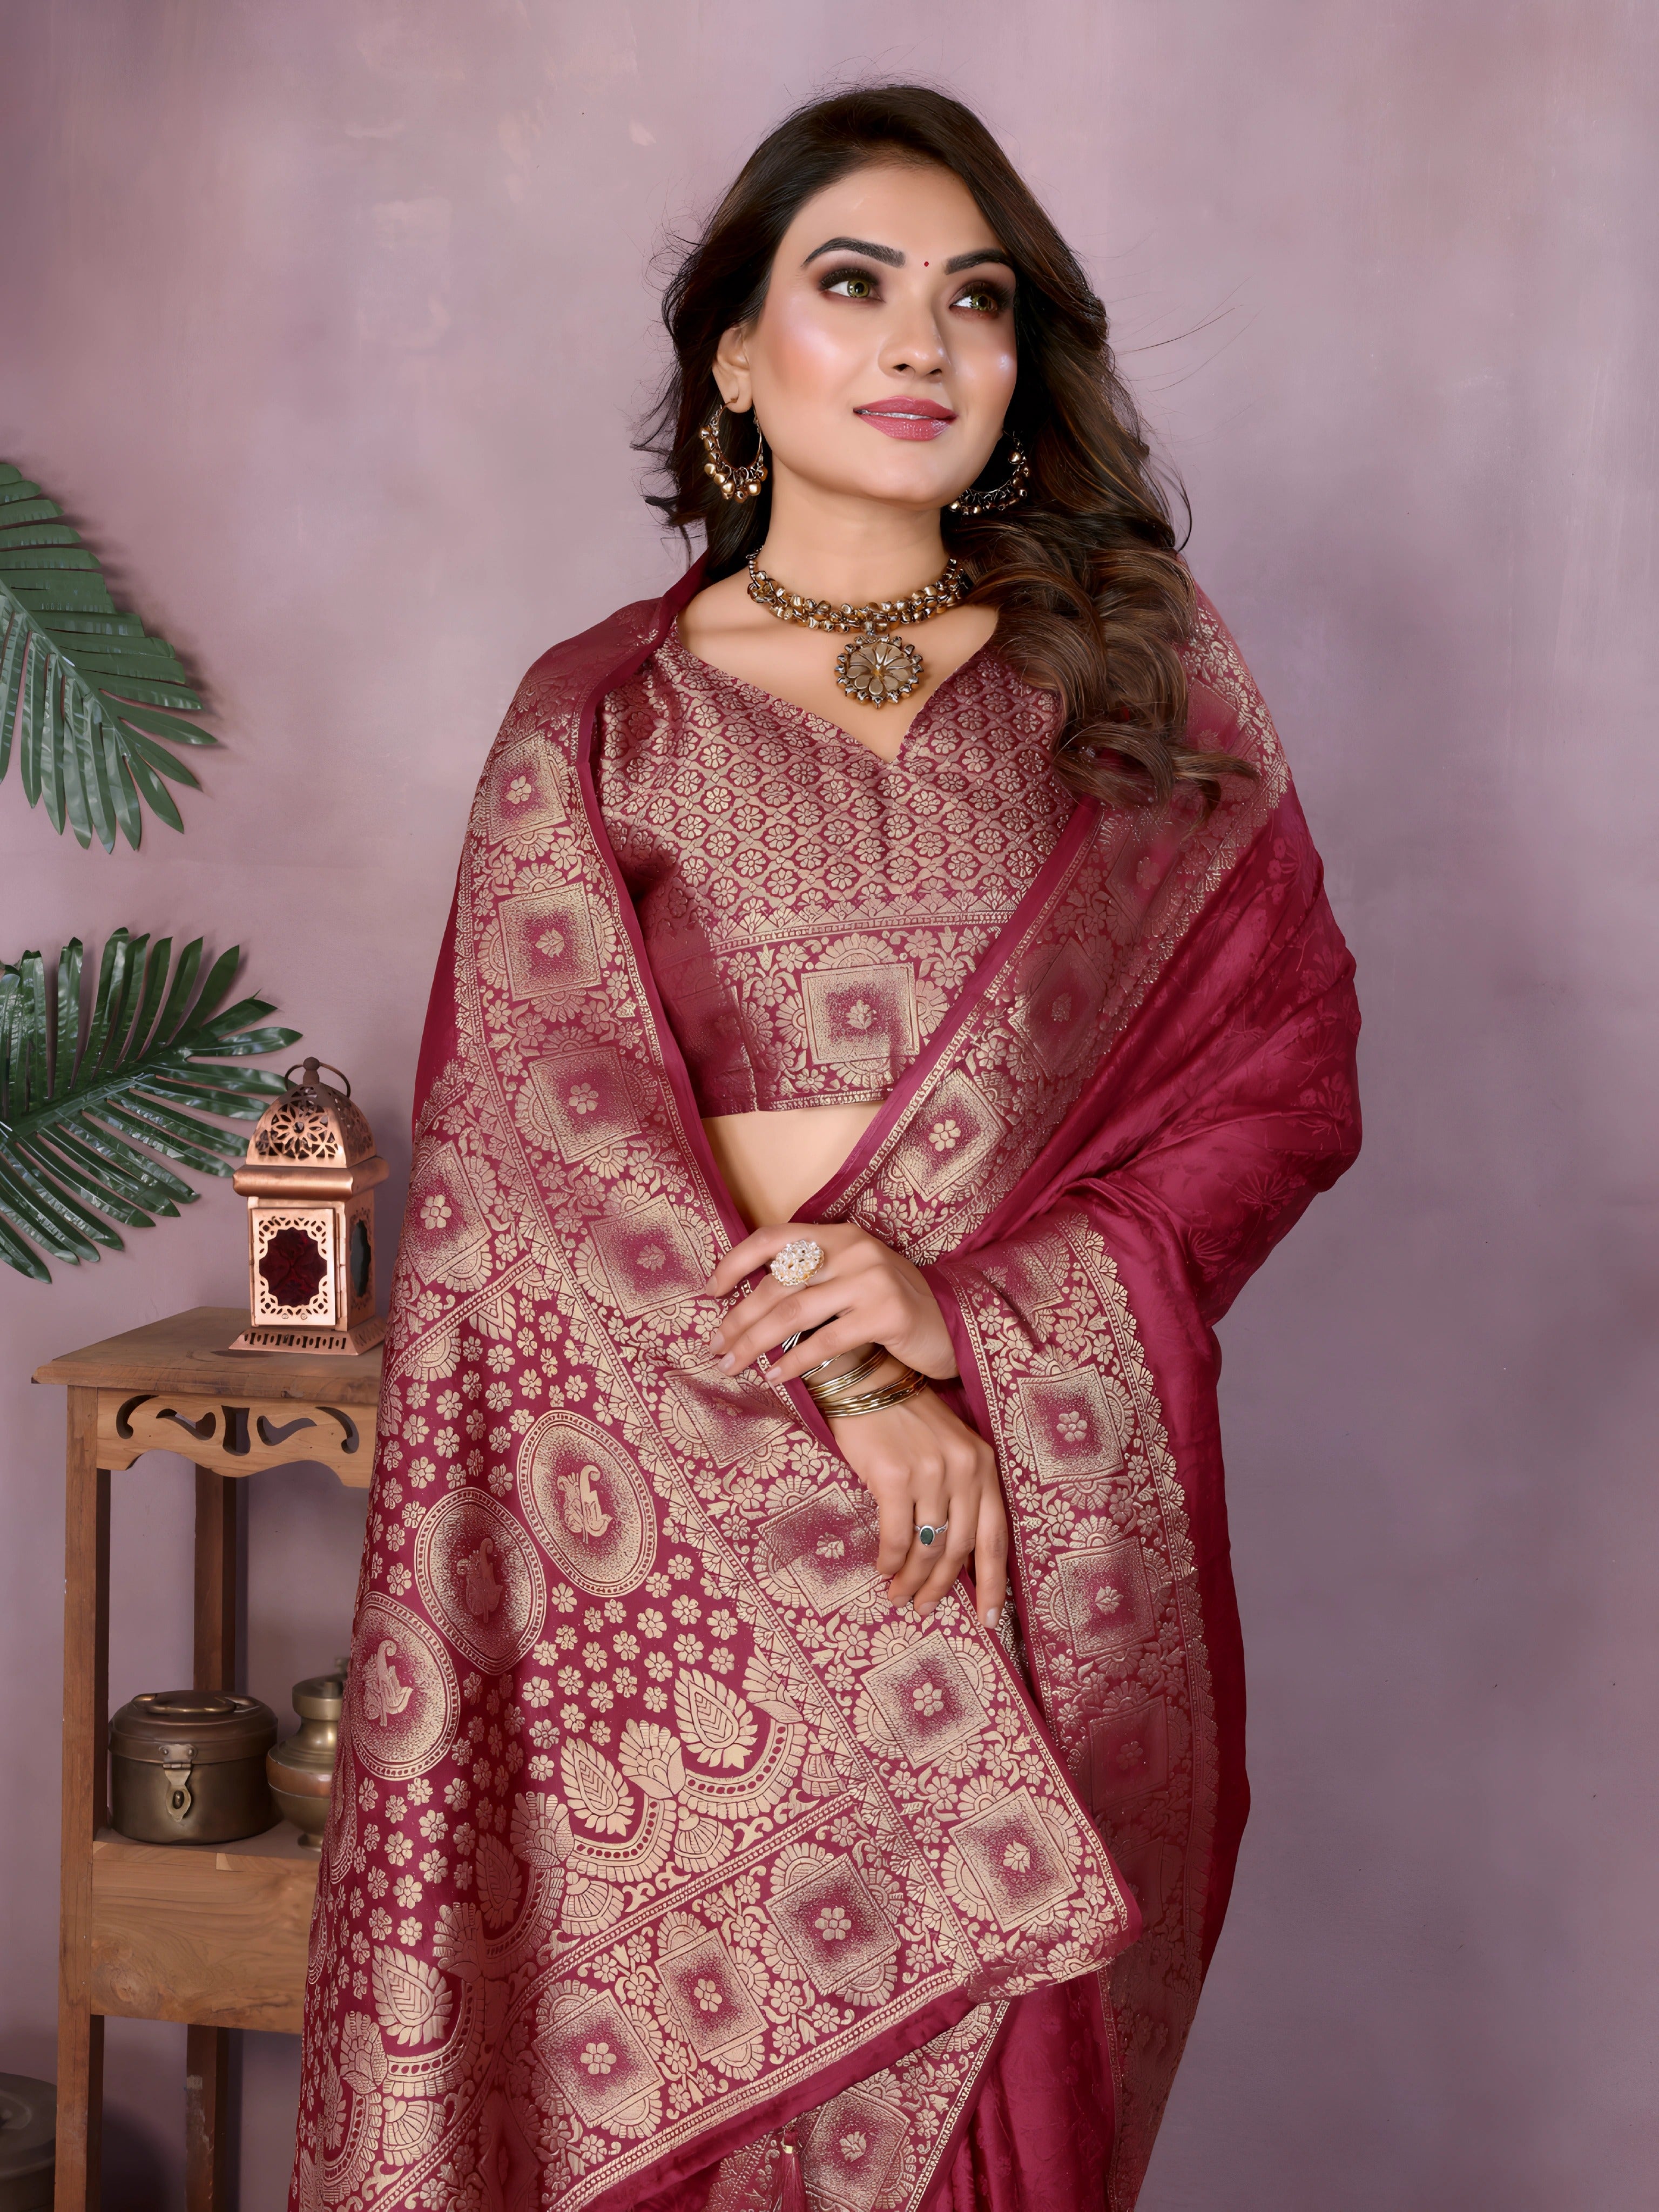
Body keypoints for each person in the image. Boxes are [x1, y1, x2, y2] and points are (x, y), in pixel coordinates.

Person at [291, 84, 1360, 2212]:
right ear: (735, 365)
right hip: (707, 1578)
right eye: (851, 286)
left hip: (1017, 1548)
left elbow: (1283, 1081)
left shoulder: (1129, 704)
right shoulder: (603, 721)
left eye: (976, 302)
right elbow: (538, 1178)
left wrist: (979, 1324)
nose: (920, 346)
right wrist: (870, 1387)